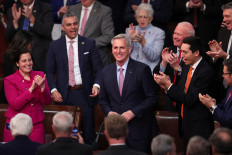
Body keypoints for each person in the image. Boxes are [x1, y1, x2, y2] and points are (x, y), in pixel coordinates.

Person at [46, 12, 103, 144]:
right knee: (64, 136)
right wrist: (53, 90)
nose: (73, 27)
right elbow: (49, 71)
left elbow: (99, 69)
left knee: (88, 135)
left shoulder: (89, 43)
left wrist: (97, 85)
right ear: (62, 27)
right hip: (63, 95)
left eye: (75, 24)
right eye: (69, 24)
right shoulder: (55, 46)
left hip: (85, 94)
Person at [99, 34, 158, 153]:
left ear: (129, 49)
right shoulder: (105, 71)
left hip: (139, 131)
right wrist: (109, 112)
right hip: (116, 133)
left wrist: (133, 112)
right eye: (115, 48)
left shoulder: (142, 69)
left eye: (122, 48)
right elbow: (103, 100)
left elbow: (152, 98)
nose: (118, 51)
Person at [154, 36, 215, 153]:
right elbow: (180, 93)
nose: (182, 56)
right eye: (181, 52)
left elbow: (190, 99)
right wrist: (167, 87)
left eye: (185, 52)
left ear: (196, 52)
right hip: (185, 124)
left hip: (199, 129)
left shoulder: (206, 72)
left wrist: (170, 85)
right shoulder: (187, 66)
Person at [4, 49, 52, 144]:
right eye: (24, 61)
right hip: (15, 124)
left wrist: (42, 87)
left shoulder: (40, 75)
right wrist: (31, 89)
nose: (28, 63)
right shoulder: (9, 80)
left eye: (30, 60)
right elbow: (15, 104)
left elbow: (47, 101)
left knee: (35, 151)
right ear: (17, 63)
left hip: (36, 123)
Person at [153, 22, 195, 111]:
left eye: (179, 34)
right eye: (174, 33)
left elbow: (193, 76)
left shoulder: (194, 53)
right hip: (170, 99)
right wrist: (163, 62)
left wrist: (178, 68)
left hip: (186, 100)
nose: (174, 36)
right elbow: (156, 74)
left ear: (188, 37)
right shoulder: (170, 50)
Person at [5, 0, 54, 71]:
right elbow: (8, 37)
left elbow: (47, 31)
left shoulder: (45, 8)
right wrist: (15, 22)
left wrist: (32, 19)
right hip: (19, 56)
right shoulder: (13, 9)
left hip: (39, 55)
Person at [69, 0, 114, 66]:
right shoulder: (72, 9)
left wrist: (87, 44)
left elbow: (108, 36)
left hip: (95, 59)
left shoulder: (104, 10)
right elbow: (65, 31)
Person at [126, 3, 165, 72]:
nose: (142, 19)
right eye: (140, 17)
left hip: (149, 71)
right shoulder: (129, 30)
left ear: (151, 18)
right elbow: (124, 53)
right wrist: (130, 40)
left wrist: (143, 42)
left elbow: (154, 56)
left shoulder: (159, 33)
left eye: (145, 17)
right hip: (131, 70)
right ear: (136, 18)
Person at [199, 58, 232, 129]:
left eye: (224, 74)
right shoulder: (230, 88)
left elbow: (227, 120)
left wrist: (213, 106)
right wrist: (212, 103)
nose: (223, 76)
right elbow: (224, 107)